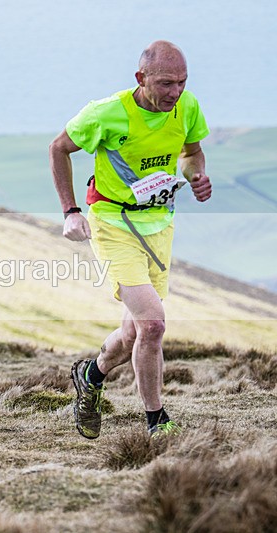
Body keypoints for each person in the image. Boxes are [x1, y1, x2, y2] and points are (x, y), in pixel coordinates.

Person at [49, 41, 212, 438]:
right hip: (113, 223)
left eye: (182, 83)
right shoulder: (107, 113)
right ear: (141, 79)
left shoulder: (186, 107)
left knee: (134, 332)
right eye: (166, 83)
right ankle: (157, 421)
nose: (176, 92)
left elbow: (192, 152)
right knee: (153, 324)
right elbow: (58, 148)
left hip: (159, 227)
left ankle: (91, 374)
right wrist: (70, 211)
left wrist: (195, 175)